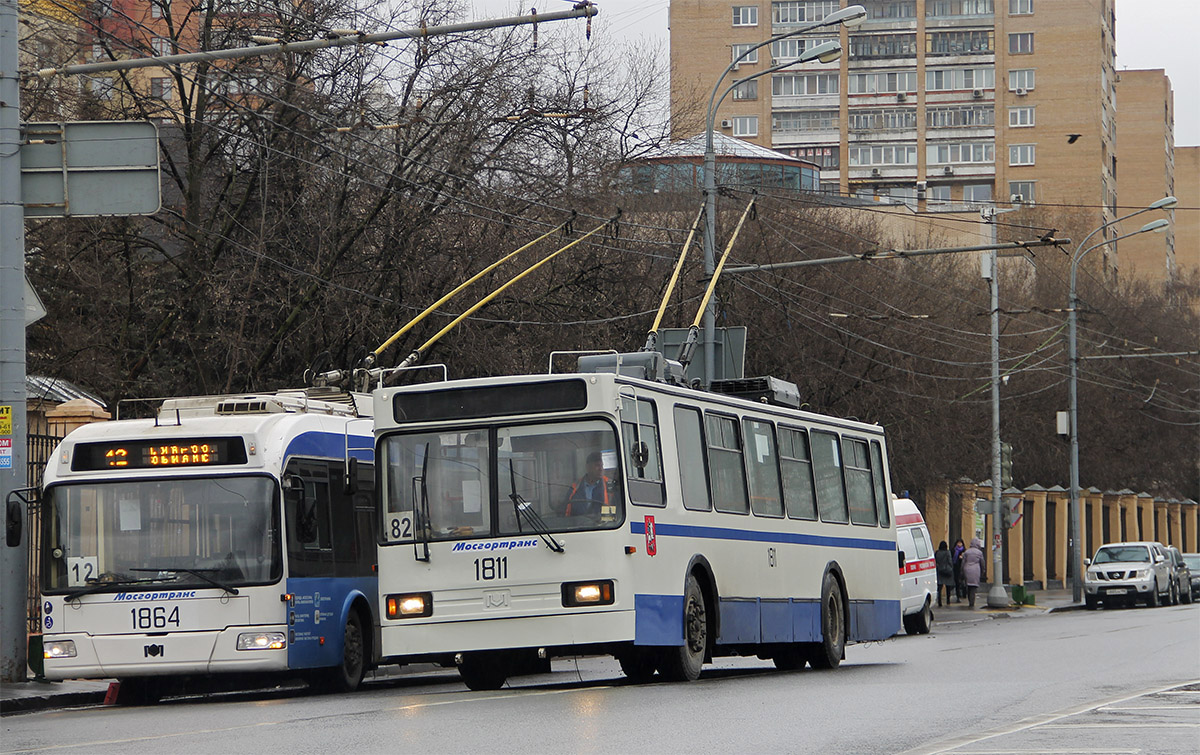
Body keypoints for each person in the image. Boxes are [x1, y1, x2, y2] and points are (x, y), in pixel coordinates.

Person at [566, 451, 609, 517]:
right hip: (580, 525)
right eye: (597, 465)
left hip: (605, 525)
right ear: (588, 467)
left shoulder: (609, 485)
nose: (601, 469)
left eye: (602, 466)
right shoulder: (575, 487)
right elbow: (567, 512)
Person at [962, 537, 987, 608]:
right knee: (973, 587)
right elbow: (982, 563)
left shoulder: (967, 552)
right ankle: (972, 602)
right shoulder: (979, 553)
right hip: (976, 570)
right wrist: (983, 570)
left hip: (967, 569)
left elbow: (963, 562)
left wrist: (962, 571)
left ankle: (969, 599)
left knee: (969, 586)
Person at [934, 540, 955, 606]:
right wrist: (951, 568)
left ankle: (939, 601)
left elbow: (935, 561)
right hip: (947, 571)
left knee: (939, 587)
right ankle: (948, 600)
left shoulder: (937, 552)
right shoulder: (947, 552)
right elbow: (950, 561)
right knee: (948, 587)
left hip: (940, 571)